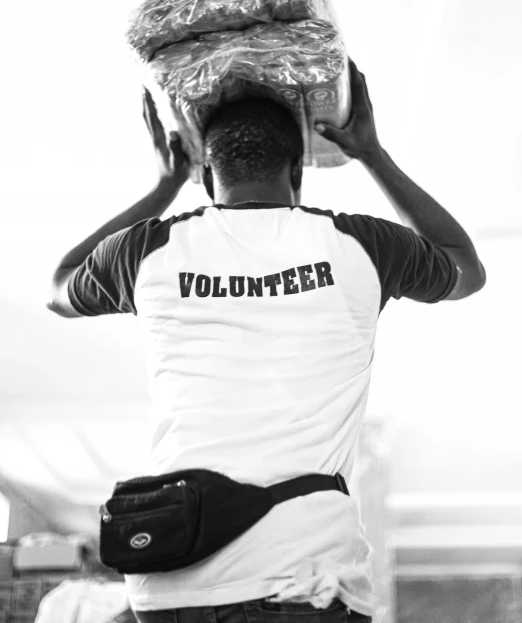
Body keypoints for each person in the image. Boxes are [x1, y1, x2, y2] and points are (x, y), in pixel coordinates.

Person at [47, 60, 486, 623]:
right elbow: (465, 271)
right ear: (297, 177)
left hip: (176, 578)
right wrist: (373, 154)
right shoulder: (361, 244)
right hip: (304, 576)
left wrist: (163, 187)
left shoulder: (146, 250)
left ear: (208, 178)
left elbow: (60, 288)